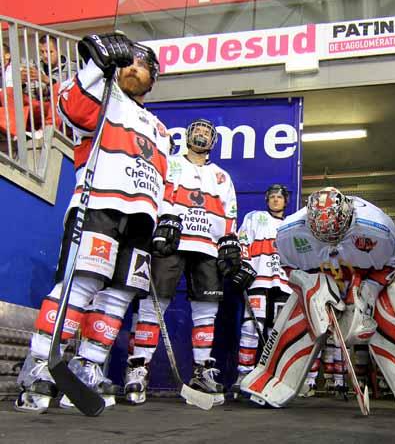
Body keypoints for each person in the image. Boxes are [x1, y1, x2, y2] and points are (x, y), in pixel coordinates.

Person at [14, 33, 172, 413]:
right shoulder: (103, 93)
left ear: (153, 79)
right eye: (129, 61)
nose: (134, 67)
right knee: (81, 284)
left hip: (141, 219)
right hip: (100, 202)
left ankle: (88, 366)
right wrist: (96, 64)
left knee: (120, 294)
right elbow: (70, 110)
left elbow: (164, 179)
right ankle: (40, 364)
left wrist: (166, 219)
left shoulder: (162, 130)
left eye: (143, 65)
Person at [240, 187, 395, 411]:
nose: (330, 240)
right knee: (301, 317)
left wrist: (371, 289)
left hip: (367, 275)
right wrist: (309, 286)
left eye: (335, 232)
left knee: (390, 319)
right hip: (322, 274)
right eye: (323, 235)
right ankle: (270, 381)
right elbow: (288, 267)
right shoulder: (288, 231)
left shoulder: (378, 225)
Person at [123, 118, 240, 407]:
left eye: (207, 132)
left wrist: (229, 241)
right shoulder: (170, 163)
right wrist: (159, 222)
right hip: (171, 241)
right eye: (196, 130)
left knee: (207, 310)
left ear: (213, 142)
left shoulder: (222, 177)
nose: (201, 134)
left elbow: (230, 213)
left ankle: (202, 371)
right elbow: (154, 192)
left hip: (208, 246)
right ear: (187, 136)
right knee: (154, 303)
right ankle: (138, 368)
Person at [232, 184, 293, 395]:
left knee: (276, 332)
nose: (276, 200)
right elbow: (242, 240)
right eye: (272, 197)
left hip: (283, 285)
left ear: (286, 201)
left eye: (280, 197)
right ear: (267, 200)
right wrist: (244, 266)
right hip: (257, 280)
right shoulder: (254, 217)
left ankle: (270, 376)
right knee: (251, 327)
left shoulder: (291, 225)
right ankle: (244, 374)